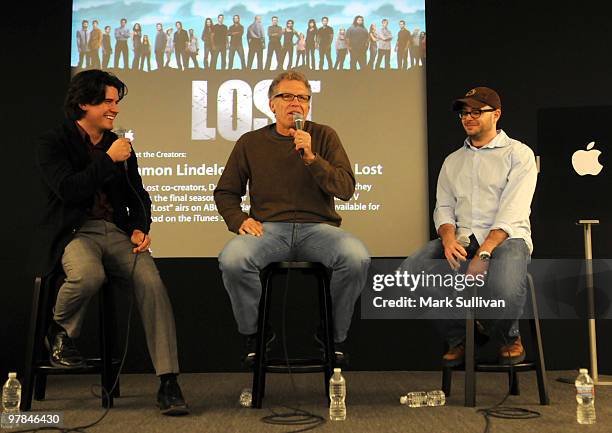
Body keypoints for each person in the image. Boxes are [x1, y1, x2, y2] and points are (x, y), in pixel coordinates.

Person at [34, 69, 189, 415]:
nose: (114, 109)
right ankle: (59, 330)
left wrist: (140, 226)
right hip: (75, 232)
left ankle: (168, 382)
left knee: (152, 283)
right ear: (84, 103)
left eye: (115, 102)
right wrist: (107, 160)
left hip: (116, 233)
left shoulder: (118, 146)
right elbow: (69, 190)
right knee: (89, 275)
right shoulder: (54, 142)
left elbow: (140, 196)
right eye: (107, 101)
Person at [215, 71, 371, 366]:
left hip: (319, 229)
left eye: (302, 98)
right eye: (287, 96)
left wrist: (312, 158)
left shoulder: (324, 136)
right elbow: (225, 192)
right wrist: (239, 220)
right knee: (233, 259)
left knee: (356, 257)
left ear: (309, 105)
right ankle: (257, 333)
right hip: (269, 230)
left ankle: (330, 336)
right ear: (272, 104)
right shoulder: (251, 142)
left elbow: (346, 189)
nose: (295, 103)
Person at [398, 87, 537, 367]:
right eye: (464, 112)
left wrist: (484, 252)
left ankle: (509, 338)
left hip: (507, 237)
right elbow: (444, 207)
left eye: (476, 111)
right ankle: (462, 334)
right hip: (463, 237)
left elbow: (514, 209)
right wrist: (448, 240)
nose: (468, 117)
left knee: (504, 286)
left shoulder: (518, 154)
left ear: (496, 114)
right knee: (410, 273)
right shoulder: (453, 160)